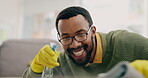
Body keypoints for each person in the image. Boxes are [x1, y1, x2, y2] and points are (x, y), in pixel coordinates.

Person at [22, 6, 148, 78]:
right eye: (66, 37)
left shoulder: (124, 43)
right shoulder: (62, 61)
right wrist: (35, 68)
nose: (75, 44)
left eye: (81, 34)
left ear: (93, 31)